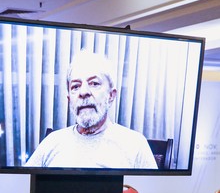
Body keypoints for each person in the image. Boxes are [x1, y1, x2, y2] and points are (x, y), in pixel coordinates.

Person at [25, 50, 158, 169]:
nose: (83, 92)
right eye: (75, 86)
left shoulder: (135, 144)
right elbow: (21, 189)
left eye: (94, 83)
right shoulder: (52, 142)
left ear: (111, 96)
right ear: (69, 99)